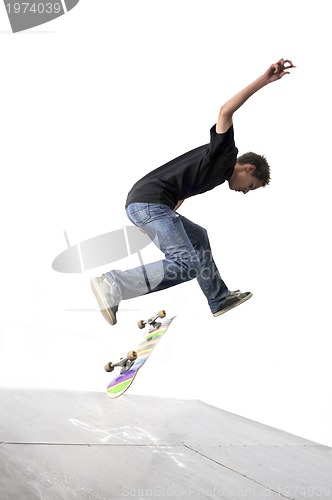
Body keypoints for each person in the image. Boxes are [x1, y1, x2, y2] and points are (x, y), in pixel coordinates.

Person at [91, 58, 295, 326]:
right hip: (149, 203)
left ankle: (218, 298)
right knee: (186, 264)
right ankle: (113, 283)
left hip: (151, 204)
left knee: (198, 237)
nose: (246, 192)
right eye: (251, 186)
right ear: (248, 167)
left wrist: (157, 220)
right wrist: (264, 80)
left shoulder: (217, 175)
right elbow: (225, 112)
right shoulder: (225, 155)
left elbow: (182, 186)